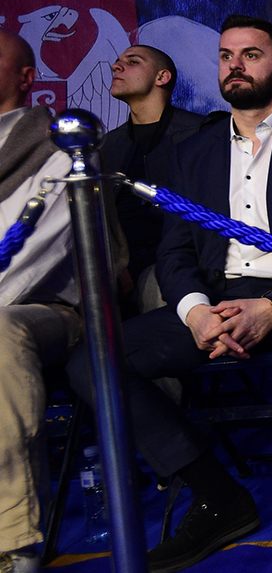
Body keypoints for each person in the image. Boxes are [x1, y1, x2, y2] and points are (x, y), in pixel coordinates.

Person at [67, 16, 272, 571]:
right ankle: (215, 495)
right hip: (218, 297)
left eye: (250, 55)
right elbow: (174, 253)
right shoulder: (193, 151)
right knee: (93, 360)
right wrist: (195, 313)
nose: (234, 65)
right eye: (225, 55)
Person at [0, 30, 82, 573]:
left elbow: (30, 260)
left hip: (46, 308)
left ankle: (14, 542)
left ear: (27, 77)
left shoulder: (56, 149)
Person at [101, 45, 207, 314]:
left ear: (162, 77)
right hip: (117, 267)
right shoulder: (107, 146)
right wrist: (116, 266)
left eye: (133, 62)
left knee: (161, 287)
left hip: (178, 261)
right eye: (117, 61)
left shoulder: (202, 133)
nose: (116, 66)